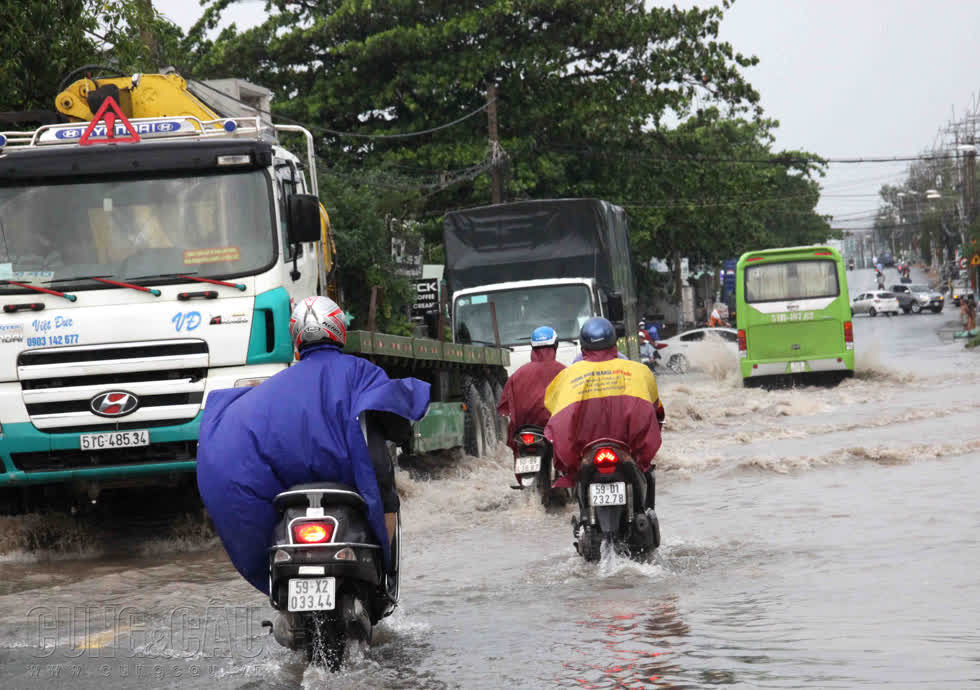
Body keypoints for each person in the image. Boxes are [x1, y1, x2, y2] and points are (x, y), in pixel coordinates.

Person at [195, 295, 430, 595]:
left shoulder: (271, 389)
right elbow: (391, 412)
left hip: (290, 486)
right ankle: (386, 579)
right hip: (350, 481)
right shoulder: (361, 372)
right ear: (338, 330)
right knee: (388, 498)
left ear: (296, 339)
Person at [543, 317, 665, 507]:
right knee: (648, 475)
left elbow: (553, 413)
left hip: (586, 454)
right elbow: (657, 410)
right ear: (615, 343)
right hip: (627, 451)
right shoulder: (640, 371)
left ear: (583, 347)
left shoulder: (566, 376)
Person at [497, 326, 566, 454]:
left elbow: (504, 407)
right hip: (553, 430)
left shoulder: (517, 374)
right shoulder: (564, 372)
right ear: (555, 346)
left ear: (532, 348)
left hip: (524, 430)